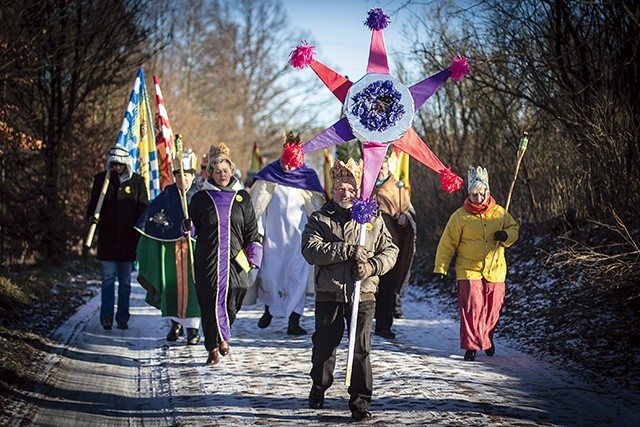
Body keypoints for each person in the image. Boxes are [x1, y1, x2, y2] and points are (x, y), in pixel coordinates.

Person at [301, 158, 399, 422]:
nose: (346, 192)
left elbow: (391, 252)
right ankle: (319, 385)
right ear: (333, 191)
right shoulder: (320, 217)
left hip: (363, 294)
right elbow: (310, 250)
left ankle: (360, 401)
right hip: (330, 293)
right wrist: (345, 250)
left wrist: (371, 267)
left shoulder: (371, 218)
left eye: (351, 187)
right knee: (324, 347)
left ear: (359, 190)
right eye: (340, 188)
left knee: (360, 348)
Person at [433, 166, 519, 361]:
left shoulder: (499, 213)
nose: (478, 198)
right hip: (468, 269)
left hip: (495, 268)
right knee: (473, 307)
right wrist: (441, 266)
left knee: (493, 308)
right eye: (474, 194)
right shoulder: (459, 216)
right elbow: (447, 242)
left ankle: (486, 338)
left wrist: (505, 236)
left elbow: (514, 229)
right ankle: (471, 346)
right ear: (469, 194)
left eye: (481, 194)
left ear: (487, 192)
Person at [188, 142, 262, 366]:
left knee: (234, 296)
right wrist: (186, 227)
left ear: (232, 171)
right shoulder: (200, 199)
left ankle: (222, 333)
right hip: (208, 259)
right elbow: (193, 230)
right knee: (210, 301)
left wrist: (254, 257)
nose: (222, 174)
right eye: (217, 171)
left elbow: (252, 230)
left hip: (235, 260)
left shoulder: (243, 198)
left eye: (225, 170)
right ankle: (214, 344)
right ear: (210, 172)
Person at [251, 132, 325, 336]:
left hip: (298, 240)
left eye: (291, 164)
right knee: (269, 275)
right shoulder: (269, 176)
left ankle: (294, 319)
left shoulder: (307, 179)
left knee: (297, 277)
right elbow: (256, 205)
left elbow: (317, 208)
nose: (287, 168)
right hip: (272, 238)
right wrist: (255, 232)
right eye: (285, 162)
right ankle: (269, 308)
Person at [135, 148, 202, 345]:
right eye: (179, 175)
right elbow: (152, 221)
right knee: (171, 287)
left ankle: (193, 329)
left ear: (192, 176)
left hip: (194, 250)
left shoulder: (199, 196)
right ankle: (175, 324)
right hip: (170, 252)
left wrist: (196, 229)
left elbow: (209, 221)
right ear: (174, 177)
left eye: (187, 175)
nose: (183, 179)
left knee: (194, 290)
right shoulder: (166, 196)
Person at [86, 146, 149, 330]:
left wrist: (140, 236)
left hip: (128, 242)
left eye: (120, 165)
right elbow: (92, 206)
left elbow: (142, 210)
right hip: (107, 240)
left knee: (125, 282)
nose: (117, 168)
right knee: (107, 279)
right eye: (113, 164)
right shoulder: (101, 180)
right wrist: (92, 217)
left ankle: (122, 317)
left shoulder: (137, 182)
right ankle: (106, 316)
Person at [371, 158, 416, 339]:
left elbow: (409, 212)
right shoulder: (364, 184)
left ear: (388, 167)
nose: (380, 170)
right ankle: (360, 324)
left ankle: (383, 325)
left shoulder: (397, 188)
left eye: (383, 167)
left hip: (389, 245)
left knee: (387, 287)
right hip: (367, 246)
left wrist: (404, 219)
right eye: (377, 167)